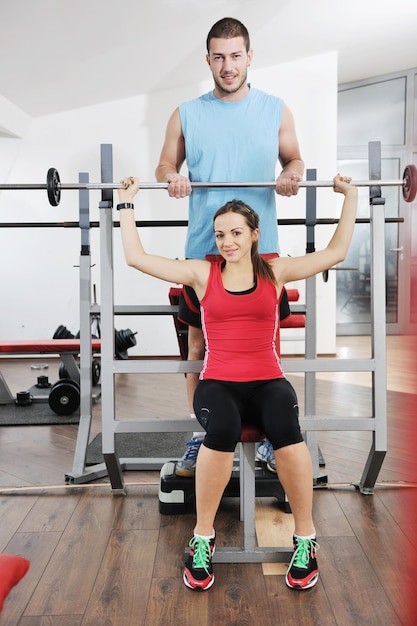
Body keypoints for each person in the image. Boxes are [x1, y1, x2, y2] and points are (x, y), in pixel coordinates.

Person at [116, 173, 358, 591]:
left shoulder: (276, 272)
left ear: (253, 235)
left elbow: (336, 251)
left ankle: (306, 539)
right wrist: (126, 205)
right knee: (222, 429)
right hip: (219, 384)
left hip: (268, 381)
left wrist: (351, 196)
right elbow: (137, 258)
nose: (227, 241)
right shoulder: (201, 273)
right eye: (220, 234)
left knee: (287, 427)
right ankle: (203, 538)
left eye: (236, 233)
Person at [155, 16, 304, 478]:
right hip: (204, 248)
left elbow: (295, 157)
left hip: (262, 249)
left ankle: (267, 440)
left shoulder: (275, 109)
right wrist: (173, 180)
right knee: (198, 341)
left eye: (235, 55)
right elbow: (163, 165)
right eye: (219, 57)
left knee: (267, 342)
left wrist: (292, 173)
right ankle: (203, 434)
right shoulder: (186, 112)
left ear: (249, 56)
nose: (228, 65)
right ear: (209, 60)